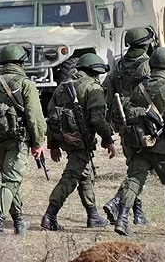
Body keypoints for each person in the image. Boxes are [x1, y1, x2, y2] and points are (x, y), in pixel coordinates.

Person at [114, 47, 165, 237]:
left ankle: (122, 218)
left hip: (140, 145)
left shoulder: (140, 88)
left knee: (134, 181)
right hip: (162, 149)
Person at [0, 44, 47, 235]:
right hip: (19, 142)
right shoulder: (26, 84)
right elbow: (34, 117)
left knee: (9, 181)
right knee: (10, 182)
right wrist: (38, 143)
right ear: (21, 62)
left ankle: (19, 220)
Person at [41, 53, 116, 231]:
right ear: (96, 71)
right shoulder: (92, 88)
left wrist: (54, 144)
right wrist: (108, 139)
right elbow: (97, 120)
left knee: (85, 174)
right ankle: (50, 215)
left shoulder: (62, 86)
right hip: (81, 140)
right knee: (71, 178)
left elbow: (51, 116)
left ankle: (93, 215)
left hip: (66, 139)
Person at [103, 27, 154, 226]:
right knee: (139, 169)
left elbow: (108, 91)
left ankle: (138, 213)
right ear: (145, 44)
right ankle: (117, 202)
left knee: (133, 165)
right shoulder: (147, 65)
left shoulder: (119, 65)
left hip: (123, 123)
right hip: (142, 123)